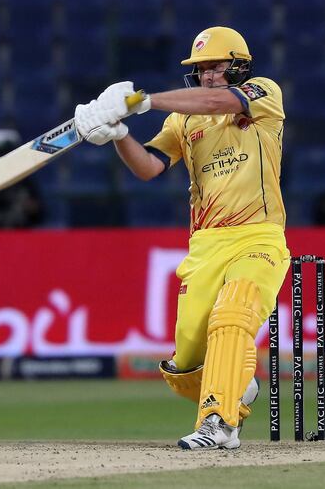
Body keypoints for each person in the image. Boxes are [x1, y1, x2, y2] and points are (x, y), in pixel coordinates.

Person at [73, 27, 290, 450]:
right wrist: (120, 134)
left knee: (233, 316)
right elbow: (150, 167)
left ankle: (219, 423)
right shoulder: (183, 120)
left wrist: (141, 101)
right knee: (185, 364)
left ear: (239, 66)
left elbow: (218, 102)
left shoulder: (264, 93)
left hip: (258, 237)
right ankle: (236, 387)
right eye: (201, 69)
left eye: (216, 66)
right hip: (205, 246)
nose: (208, 76)